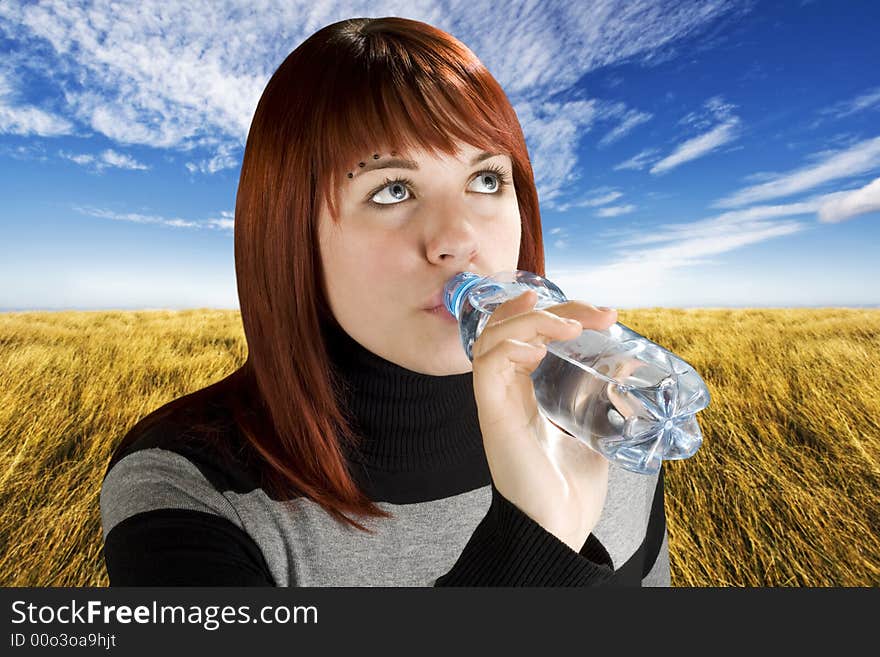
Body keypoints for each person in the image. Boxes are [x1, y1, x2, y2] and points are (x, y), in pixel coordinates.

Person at [99, 16, 670, 586]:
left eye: (487, 180)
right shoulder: (188, 490)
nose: (458, 240)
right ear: (288, 235)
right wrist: (534, 541)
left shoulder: (612, 417)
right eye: (393, 190)